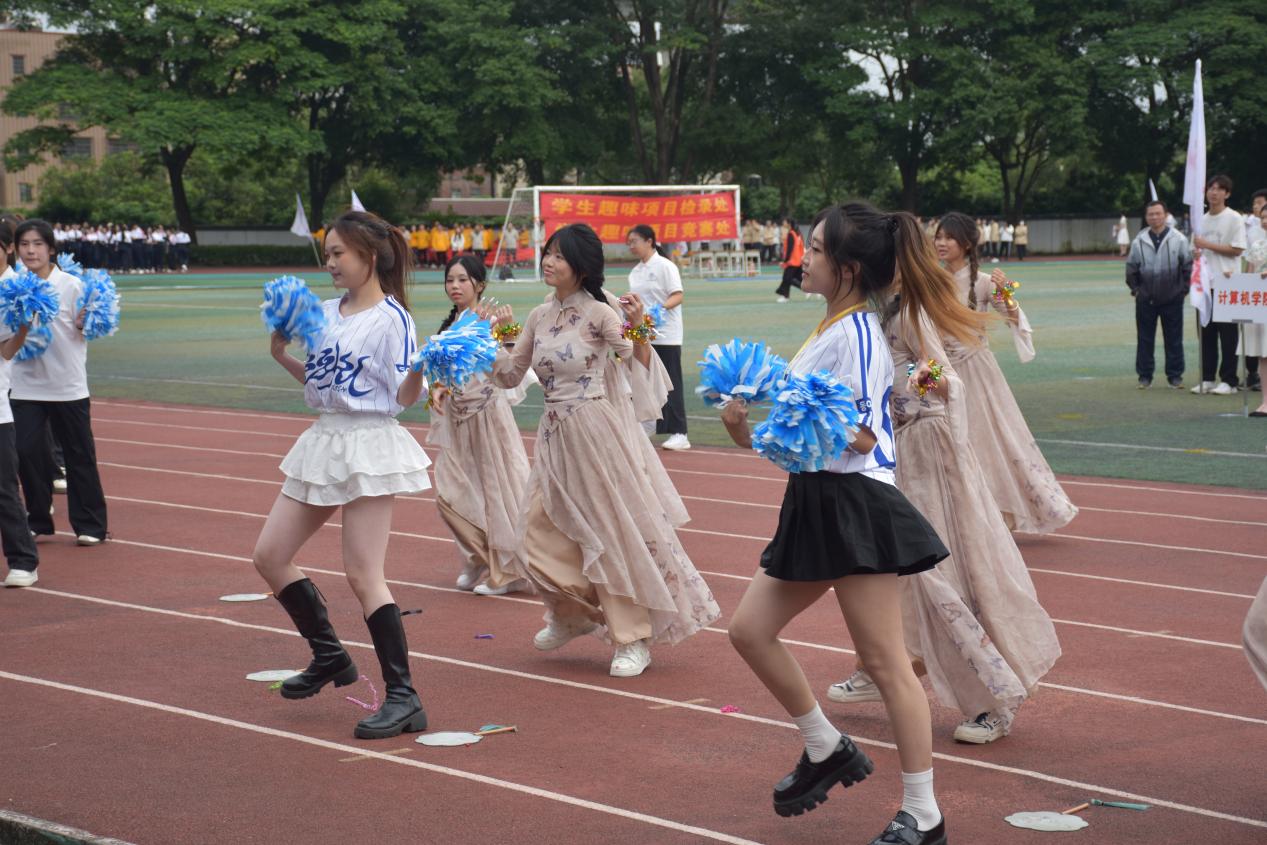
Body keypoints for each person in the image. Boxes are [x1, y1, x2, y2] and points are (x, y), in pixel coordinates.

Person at [723, 203, 950, 844]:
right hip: (814, 498)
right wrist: (747, 429)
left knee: (884, 662)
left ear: (848, 268)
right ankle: (825, 745)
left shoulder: (858, 337)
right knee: (749, 631)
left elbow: (866, 437)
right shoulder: (831, 326)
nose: (805, 258)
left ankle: (924, 813)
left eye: (817, 249)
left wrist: (804, 414)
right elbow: (800, 443)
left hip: (855, 504)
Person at [831, 210, 1061, 751]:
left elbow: (943, 374)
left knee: (946, 571)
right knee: (887, 568)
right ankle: (881, 665)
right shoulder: (875, 311)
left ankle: (993, 698)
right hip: (893, 452)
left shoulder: (912, 309)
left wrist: (918, 381)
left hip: (929, 450)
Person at [488, 223, 719, 678]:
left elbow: (636, 361)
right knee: (534, 532)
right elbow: (511, 375)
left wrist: (638, 326)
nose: (548, 261)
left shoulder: (599, 312)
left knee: (609, 532)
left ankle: (632, 637)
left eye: (559, 255)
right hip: (554, 436)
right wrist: (503, 338)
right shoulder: (537, 316)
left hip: (595, 431)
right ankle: (572, 613)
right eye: (548, 253)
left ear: (581, 265)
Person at [253, 210, 432, 740]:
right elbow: (321, 384)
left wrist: (422, 367)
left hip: (370, 443)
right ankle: (330, 655)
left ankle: (404, 697)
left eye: (338, 253)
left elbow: (404, 397)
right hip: (325, 438)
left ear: (368, 256)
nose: (329, 262)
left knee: (362, 574)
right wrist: (280, 354)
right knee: (269, 555)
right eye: (327, 253)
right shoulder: (325, 312)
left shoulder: (393, 318)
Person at [928, 213, 1077, 532]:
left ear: (967, 244)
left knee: (988, 439)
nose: (941, 242)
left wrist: (1005, 290)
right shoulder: (932, 281)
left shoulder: (982, 282)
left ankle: (996, 513)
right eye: (939, 236)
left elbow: (1012, 315)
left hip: (977, 372)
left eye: (949, 237)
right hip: (941, 372)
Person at [427, 256, 533, 596]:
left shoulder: (490, 319)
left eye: (462, 279)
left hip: (487, 416)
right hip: (458, 419)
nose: (455, 286)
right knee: (450, 493)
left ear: (480, 284)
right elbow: (446, 373)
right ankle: (477, 556)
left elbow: (512, 367)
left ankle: (507, 571)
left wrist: (508, 331)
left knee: (494, 492)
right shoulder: (451, 324)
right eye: (450, 280)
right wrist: (438, 390)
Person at [9, 219, 109, 548]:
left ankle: (90, 524)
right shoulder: (11, 285)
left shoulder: (72, 285)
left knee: (79, 456)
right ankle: (39, 519)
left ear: (51, 248)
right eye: (24, 244)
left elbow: (95, 325)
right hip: (24, 386)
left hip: (68, 386)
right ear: (16, 249)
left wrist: (86, 322)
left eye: (37, 244)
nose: (31, 251)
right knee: (26, 453)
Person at [0, 220, 40, 588]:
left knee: (4, 489)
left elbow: (7, 351)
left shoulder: (14, 292)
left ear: (6, 249)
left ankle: (24, 561)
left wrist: (24, 329)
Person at [626, 224, 690, 450]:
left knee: (670, 382)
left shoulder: (665, 266)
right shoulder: (635, 272)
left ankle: (680, 432)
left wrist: (658, 311)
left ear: (649, 241)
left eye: (634, 241)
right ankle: (649, 423)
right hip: (644, 335)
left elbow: (677, 295)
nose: (631, 246)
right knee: (643, 378)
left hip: (667, 334)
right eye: (629, 242)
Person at [1126, 201, 1192, 389]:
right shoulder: (1139, 241)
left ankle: (1175, 376)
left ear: (1165, 215)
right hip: (1146, 299)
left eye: (1158, 213)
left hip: (1172, 298)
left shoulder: (1179, 239)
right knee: (1144, 338)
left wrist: (1182, 290)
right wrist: (1137, 290)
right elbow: (1131, 268)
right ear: (1146, 217)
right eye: (1151, 214)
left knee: (1174, 338)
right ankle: (1145, 376)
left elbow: (1188, 267)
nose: (1154, 217)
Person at [1191, 174, 1247, 395]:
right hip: (1205, 285)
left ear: (1227, 194)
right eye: (1211, 188)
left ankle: (1229, 380)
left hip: (1227, 283)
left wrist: (1206, 244)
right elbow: (1195, 249)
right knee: (1206, 333)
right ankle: (1207, 378)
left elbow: (1237, 249)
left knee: (1228, 335)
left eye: (1219, 189)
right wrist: (1197, 252)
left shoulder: (1234, 218)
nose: (1213, 193)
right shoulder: (1201, 220)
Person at [774, 219, 805, 302]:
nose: (783, 223)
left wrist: (785, 261)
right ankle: (813, 290)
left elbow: (789, 249)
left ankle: (785, 296)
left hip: (792, 261)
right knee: (798, 278)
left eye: (784, 222)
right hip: (798, 260)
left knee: (787, 278)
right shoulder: (797, 233)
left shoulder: (791, 234)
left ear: (789, 224)